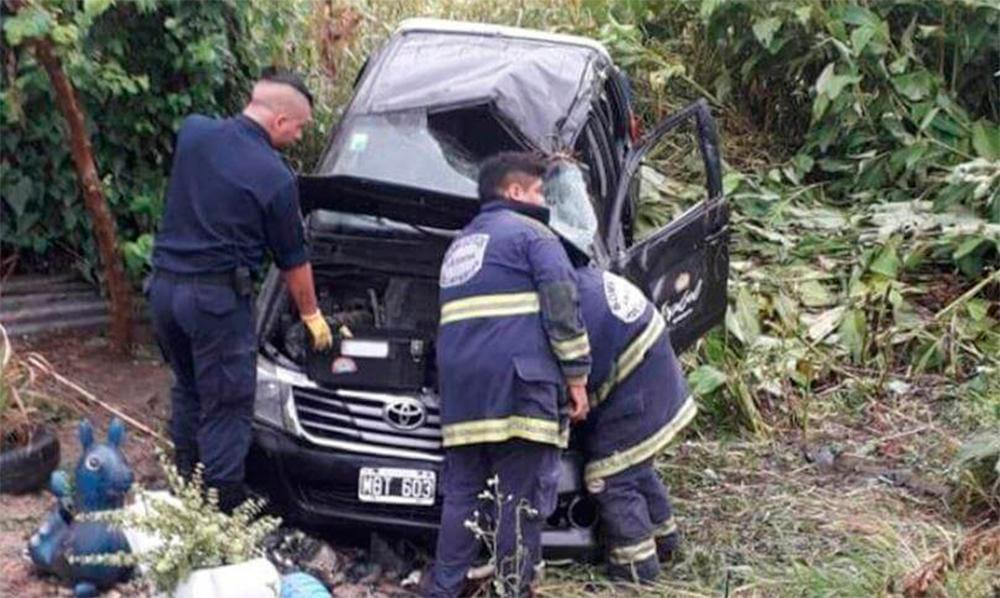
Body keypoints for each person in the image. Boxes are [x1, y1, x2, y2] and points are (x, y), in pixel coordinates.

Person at [148, 69, 335, 512]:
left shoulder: (193, 133)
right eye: (300, 126)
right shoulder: (274, 177)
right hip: (214, 302)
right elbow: (293, 260)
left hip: (164, 290)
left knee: (189, 388)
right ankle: (224, 505)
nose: (299, 133)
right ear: (279, 121)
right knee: (227, 402)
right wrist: (311, 316)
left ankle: (186, 487)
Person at [427, 152, 592, 597]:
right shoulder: (534, 235)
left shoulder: (460, 244)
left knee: (462, 499)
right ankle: (512, 590)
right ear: (516, 192)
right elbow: (563, 308)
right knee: (519, 504)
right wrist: (577, 379)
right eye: (540, 191)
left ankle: (442, 590)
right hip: (520, 391)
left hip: (463, 399)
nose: (544, 200)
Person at [544, 159, 697, 582]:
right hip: (654, 379)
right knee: (634, 465)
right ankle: (666, 542)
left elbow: (568, 367)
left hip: (640, 388)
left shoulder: (562, 296)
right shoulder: (583, 277)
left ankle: (635, 571)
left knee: (610, 476)